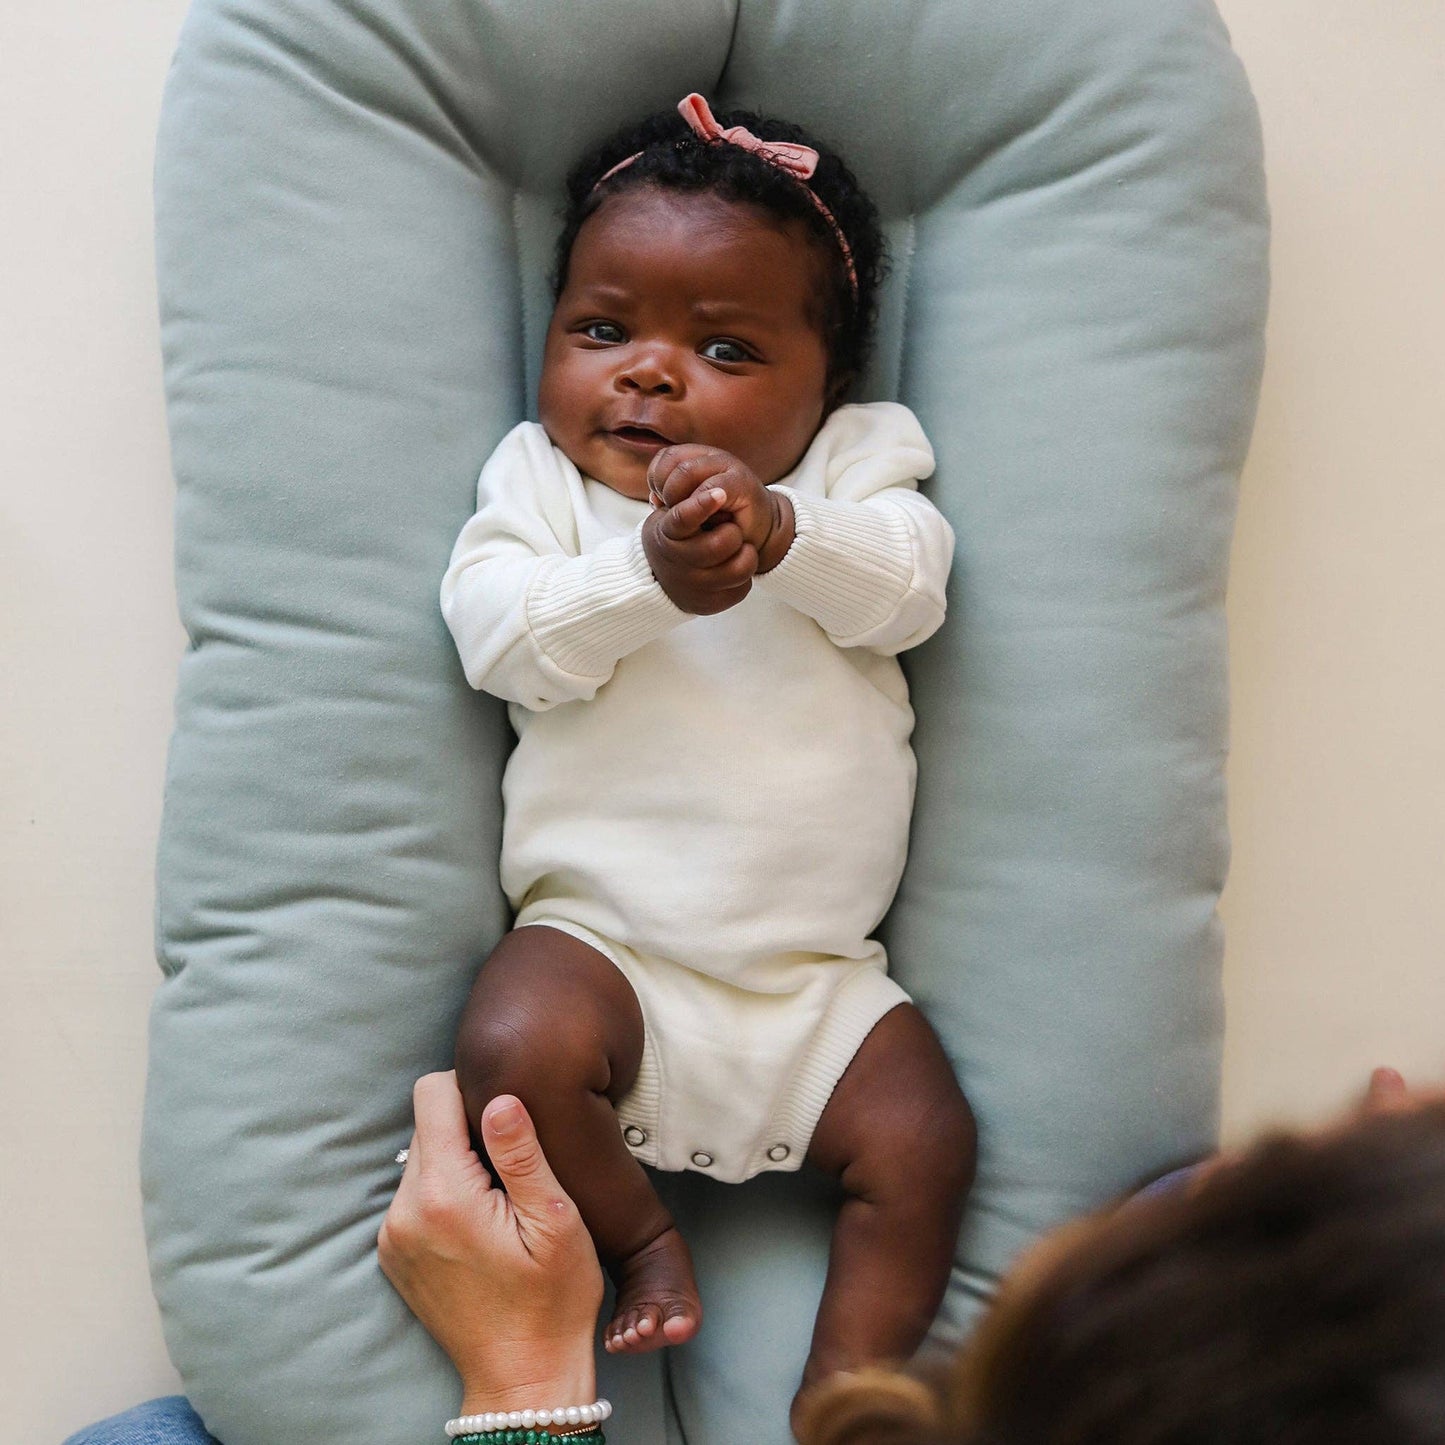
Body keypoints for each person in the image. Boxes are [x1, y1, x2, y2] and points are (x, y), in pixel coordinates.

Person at [438, 92, 974, 1416]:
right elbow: (497, 642)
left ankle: (846, 1393)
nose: (648, 373)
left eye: (724, 348)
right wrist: (642, 577)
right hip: (604, 951)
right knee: (508, 1041)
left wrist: (787, 531)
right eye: (602, 329)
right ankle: (636, 1238)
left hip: (817, 985)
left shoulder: (857, 466)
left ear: (825, 386)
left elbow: (911, 591)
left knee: (927, 1139)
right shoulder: (540, 488)